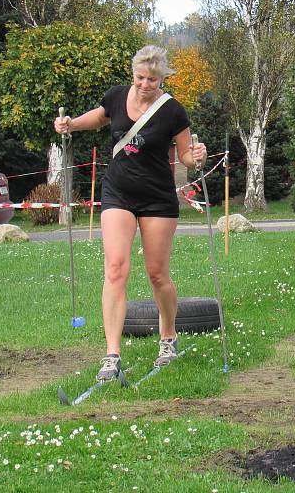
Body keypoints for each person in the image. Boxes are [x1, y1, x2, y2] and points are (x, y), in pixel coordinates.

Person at [54, 45, 207, 381]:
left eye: (152, 79)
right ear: (133, 74)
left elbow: (185, 158)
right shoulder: (116, 96)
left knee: (157, 274)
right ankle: (112, 355)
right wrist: (70, 124)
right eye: (140, 78)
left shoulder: (173, 111)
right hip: (118, 192)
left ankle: (169, 338)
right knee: (115, 268)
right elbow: (97, 118)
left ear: (162, 77)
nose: (145, 85)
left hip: (157, 198)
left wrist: (198, 155)